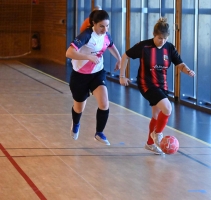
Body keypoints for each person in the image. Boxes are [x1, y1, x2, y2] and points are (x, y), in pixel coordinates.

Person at [119, 17, 195, 154]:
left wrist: (188, 70)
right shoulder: (144, 46)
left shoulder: (169, 47)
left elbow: (180, 64)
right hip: (146, 84)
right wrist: (122, 76)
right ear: (154, 35)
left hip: (162, 85)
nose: (163, 41)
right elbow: (125, 56)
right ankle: (158, 134)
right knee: (167, 108)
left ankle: (149, 143)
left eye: (165, 38)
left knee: (156, 114)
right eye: (160, 38)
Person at [66, 10, 121, 145]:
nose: (105, 29)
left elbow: (111, 46)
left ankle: (99, 133)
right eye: (101, 26)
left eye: (107, 26)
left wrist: (119, 59)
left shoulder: (106, 36)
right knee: (79, 108)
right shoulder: (86, 35)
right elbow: (69, 52)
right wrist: (88, 57)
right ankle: (76, 123)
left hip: (97, 73)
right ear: (93, 24)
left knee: (104, 103)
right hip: (80, 76)